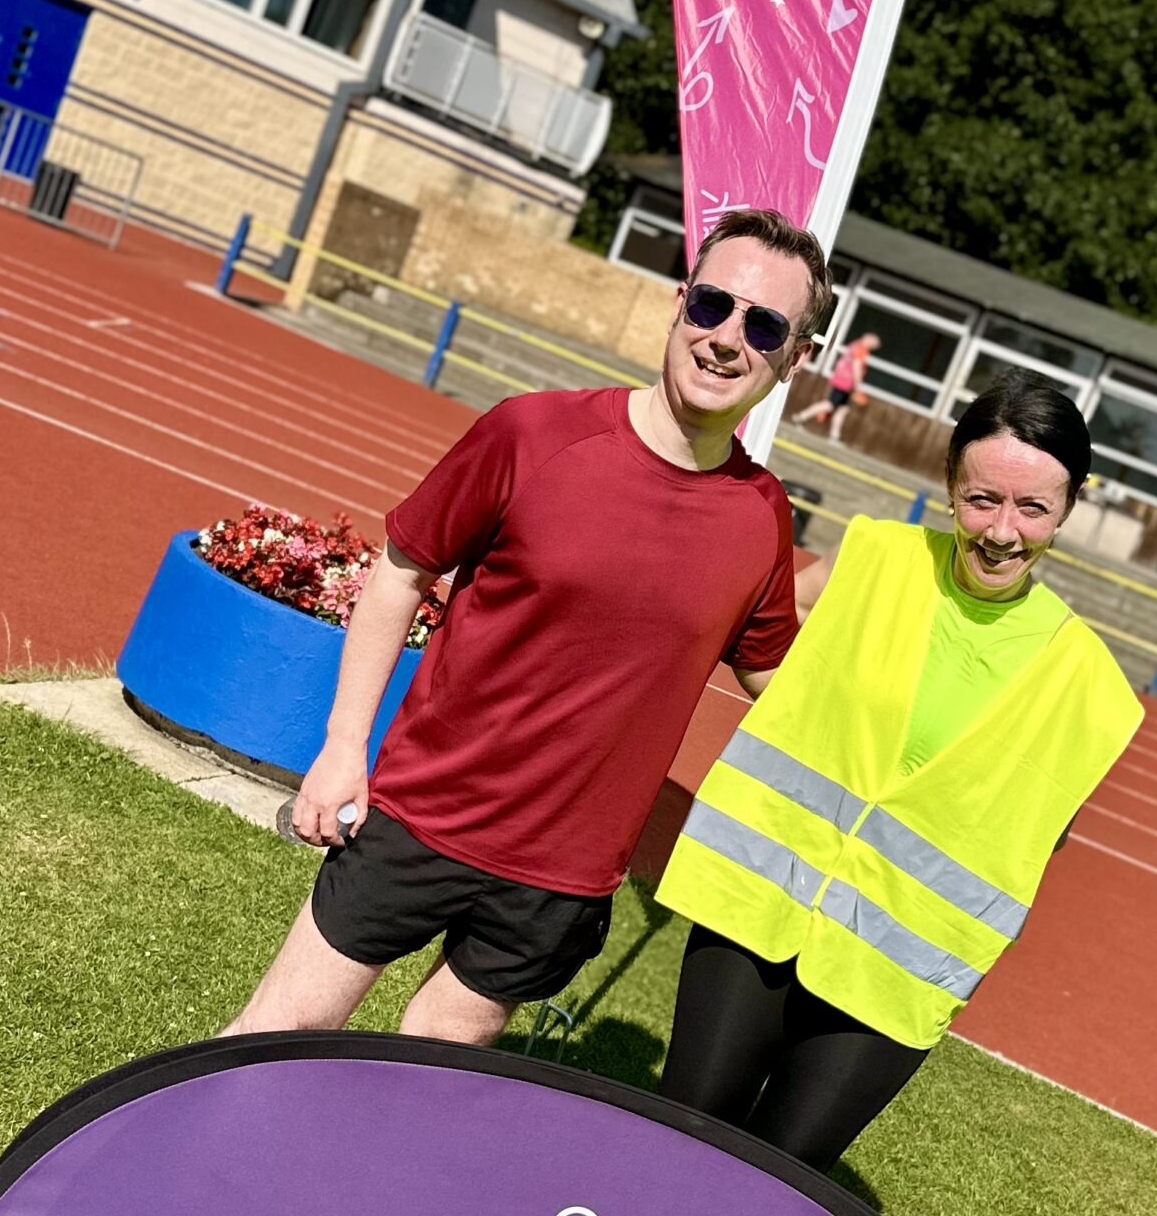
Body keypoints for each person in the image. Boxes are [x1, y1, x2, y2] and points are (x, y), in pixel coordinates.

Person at [224, 208, 832, 1047]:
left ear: (795, 358)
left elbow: (779, 685)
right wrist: (341, 748)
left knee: (427, 1083)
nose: (726, 338)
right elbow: (400, 572)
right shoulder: (533, 433)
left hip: (563, 876)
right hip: (425, 815)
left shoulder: (761, 516)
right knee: (275, 1038)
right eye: (711, 305)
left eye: (762, 326)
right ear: (678, 303)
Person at [653, 368, 1143, 1173]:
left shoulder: (1092, 689)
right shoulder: (873, 558)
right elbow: (758, 636)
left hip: (897, 967)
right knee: (681, 1137)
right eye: (981, 499)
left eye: (1032, 508)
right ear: (948, 484)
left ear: (1067, 510)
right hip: (759, 898)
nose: (1001, 532)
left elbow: (1044, 831)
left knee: (784, 1183)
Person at [790, 329, 879, 442]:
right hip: (845, 382)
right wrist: (858, 386)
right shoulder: (861, 349)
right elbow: (856, 367)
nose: (874, 347)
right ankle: (800, 416)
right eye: (874, 345)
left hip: (842, 380)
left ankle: (834, 436)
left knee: (843, 409)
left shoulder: (855, 345)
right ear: (869, 341)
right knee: (830, 405)